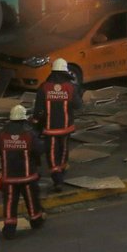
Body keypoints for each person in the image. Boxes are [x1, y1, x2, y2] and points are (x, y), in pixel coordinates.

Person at [0, 105, 46, 240]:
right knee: (31, 200)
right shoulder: (29, 134)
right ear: (23, 118)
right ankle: (36, 221)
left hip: (9, 178)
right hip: (27, 177)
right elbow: (40, 150)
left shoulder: (2, 134)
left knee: (9, 202)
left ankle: (9, 229)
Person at [33, 58, 82, 192]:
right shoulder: (70, 87)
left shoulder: (44, 87)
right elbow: (78, 105)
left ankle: (57, 178)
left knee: (52, 153)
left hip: (50, 129)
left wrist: (36, 123)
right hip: (66, 128)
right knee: (64, 150)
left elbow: (38, 110)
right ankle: (61, 172)